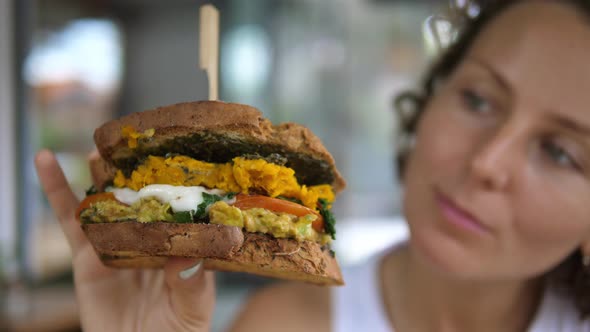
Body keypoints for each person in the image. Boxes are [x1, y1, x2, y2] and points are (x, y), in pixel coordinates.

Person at [34, 0, 590, 331]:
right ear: (431, 97)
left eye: (561, 152)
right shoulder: (280, 325)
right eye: (478, 99)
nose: (487, 163)